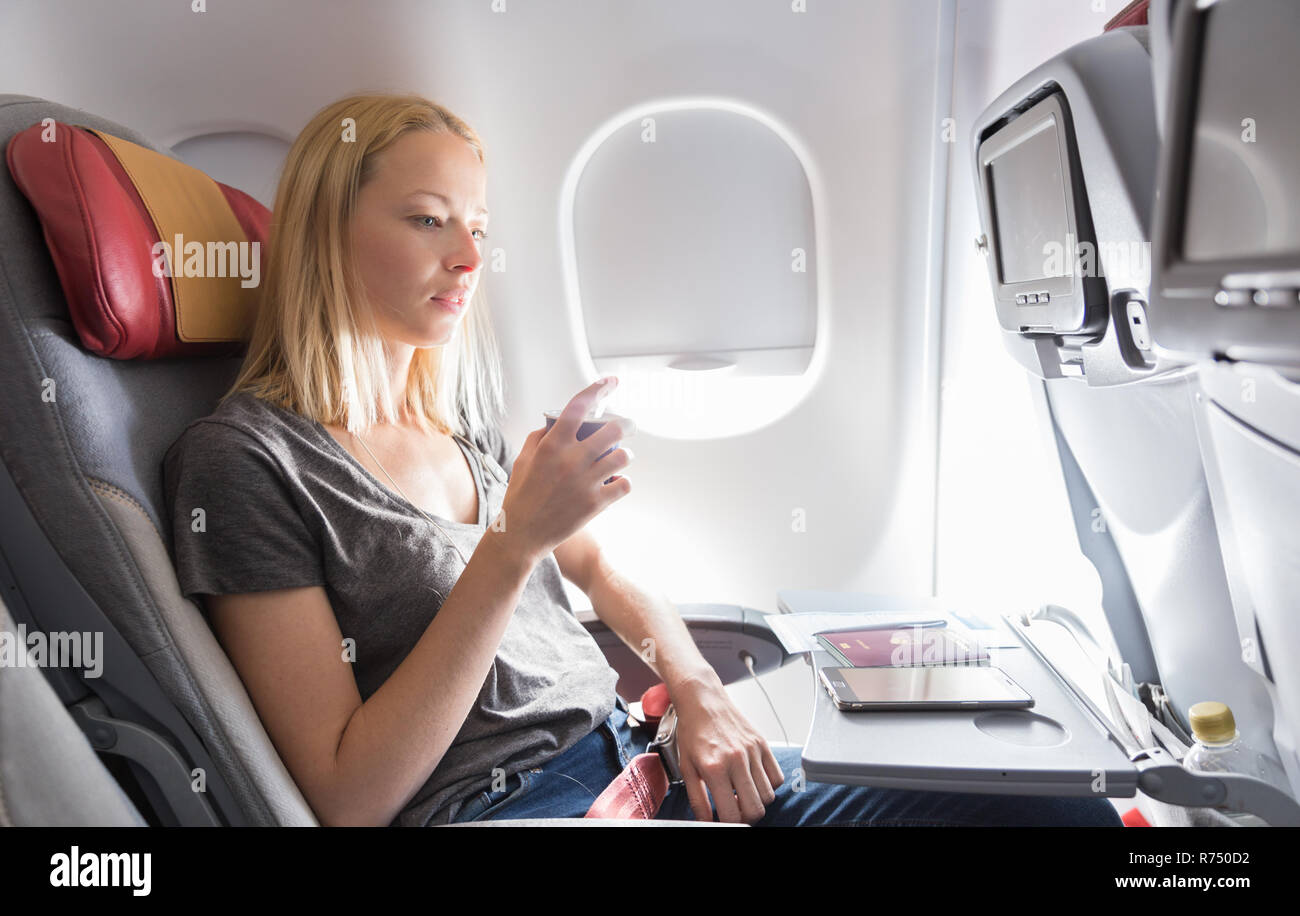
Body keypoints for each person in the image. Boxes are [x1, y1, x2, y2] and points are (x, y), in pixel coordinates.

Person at [164, 92, 1121, 828]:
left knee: (1051, 806)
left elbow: (607, 574)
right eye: (426, 220)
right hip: (516, 809)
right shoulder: (246, 465)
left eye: (480, 229)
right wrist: (509, 544)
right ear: (326, 233)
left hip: (643, 759)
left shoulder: (463, 424)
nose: (468, 256)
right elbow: (348, 793)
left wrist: (700, 694)